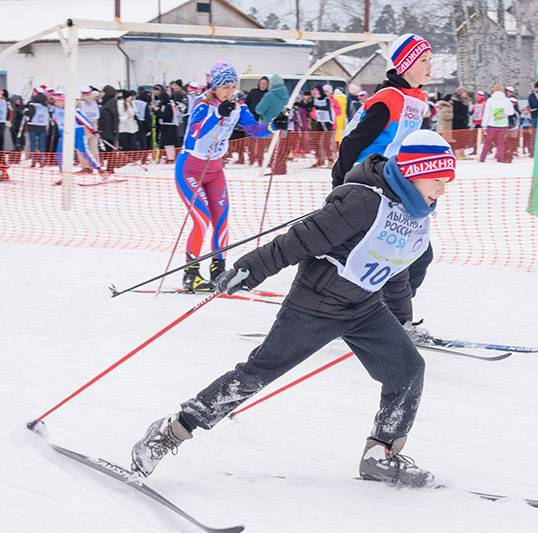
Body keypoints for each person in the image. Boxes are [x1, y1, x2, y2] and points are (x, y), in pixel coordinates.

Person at [130, 129, 456, 488]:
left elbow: (396, 268)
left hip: (364, 307)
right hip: (315, 305)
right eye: (438, 180)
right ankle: (170, 432)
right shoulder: (362, 202)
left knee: (408, 370)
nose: (442, 190)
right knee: (255, 374)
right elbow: (297, 242)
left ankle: (380, 455)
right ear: (413, 172)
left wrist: (402, 318)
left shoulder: (414, 214)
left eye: (446, 182)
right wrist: (251, 269)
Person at [175, 61, 289, 292]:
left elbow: (254, 129)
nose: (231, 91)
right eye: (225, 87)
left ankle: (218, 270)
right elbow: (195, 133)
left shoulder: (238, 106)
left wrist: (274, 125)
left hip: (215, 171)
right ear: (215, 87)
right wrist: (217, 114)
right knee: (201, 219)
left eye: (233, 86)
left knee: (221, 221)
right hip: (190, 170)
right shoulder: (202, 104)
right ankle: (191, 274)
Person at [332, 33, 432, 189]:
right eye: (423, 60)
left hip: (394, 178)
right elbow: (352, 143)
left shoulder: (417, 99)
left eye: (430, 59)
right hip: (367, 179)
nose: (430, 66)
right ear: (406, 65)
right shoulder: (388, 100)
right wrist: (338, 182)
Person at [480, 84, 514, 162]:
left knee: (488, 142)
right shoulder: (507, 100)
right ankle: (500, 158)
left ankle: (482, 158)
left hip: (491, 124)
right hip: (503, 125)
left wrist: (484, 125)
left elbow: (486, 113)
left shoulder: (490, 100)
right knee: (501, 143)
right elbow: (511, 113)